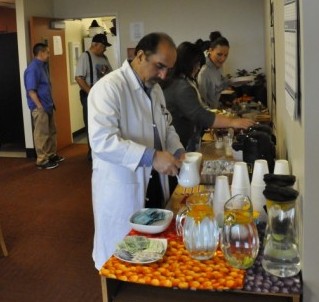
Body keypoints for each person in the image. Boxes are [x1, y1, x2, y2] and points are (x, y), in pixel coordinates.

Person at [88, 32, 185, 269]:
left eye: (168, 70)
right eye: (159, 66)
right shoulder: (108, 89)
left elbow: (167, 126)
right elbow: (102, 141)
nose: (163, 75)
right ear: (140, 56)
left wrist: (179, 150)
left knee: (152, 252)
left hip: (153, 181)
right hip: (123, 186)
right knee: (119, 258)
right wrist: (150, 156)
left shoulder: (155, 89)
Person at [164, 41, 254, 152]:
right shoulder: (181, 86)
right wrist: (232, 122)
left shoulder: (183, 81)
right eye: (197, 65)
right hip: (180, 141)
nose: (198, 69)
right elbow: (199, 114)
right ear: (189, 63)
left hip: (185, 137)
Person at [24, 43, 64, 170]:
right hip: (40, 107)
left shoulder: (43, 66)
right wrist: (39, 107)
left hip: (48, 105)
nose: (49, 55)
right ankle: (41, 160)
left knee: (51, 131)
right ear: (41, 53)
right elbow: (31, 91)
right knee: (42, 134)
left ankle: (51, 155)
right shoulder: (33, 68)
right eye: (47, 52)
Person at [75, 33, 113, 160]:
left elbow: (110, 75)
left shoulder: (104, 57)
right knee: (91, 123)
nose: (105, 49)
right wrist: (91, 92)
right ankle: (92, 152)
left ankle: (103, 149)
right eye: (103, 46)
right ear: (94, 45)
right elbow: (79, 78)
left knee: (105, 123)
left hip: (104, 97)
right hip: (89, 97)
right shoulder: (85, 57)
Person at [198, 31, 230, 108]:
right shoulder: (204, 72)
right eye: (219, 54)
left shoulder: (219, 66)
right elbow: (201, 102)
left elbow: (218, 88)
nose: (223, 59)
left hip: (217, 109)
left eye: (226, 55)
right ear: (210, 51)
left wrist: (229, 82)